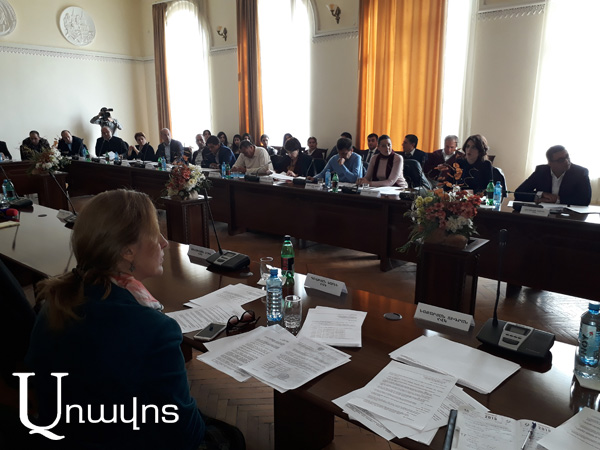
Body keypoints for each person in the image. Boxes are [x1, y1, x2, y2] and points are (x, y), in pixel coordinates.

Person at [25, 190, 246, 450]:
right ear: (128, 251)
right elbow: (185, 436)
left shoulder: (55, 300)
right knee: (233, 436)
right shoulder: (154, 330)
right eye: (156, 233)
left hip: (67, 432)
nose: (164, 242)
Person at [514, 145, 592, 206]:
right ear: (550, 163)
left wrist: (557, 200)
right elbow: (518, 193)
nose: (566, 161)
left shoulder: (580, 173)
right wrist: (540, 195)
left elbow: (585, 200)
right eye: (561, 160)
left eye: (567, 156)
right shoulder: (541, 171)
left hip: (569, 216)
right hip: (542, 213)